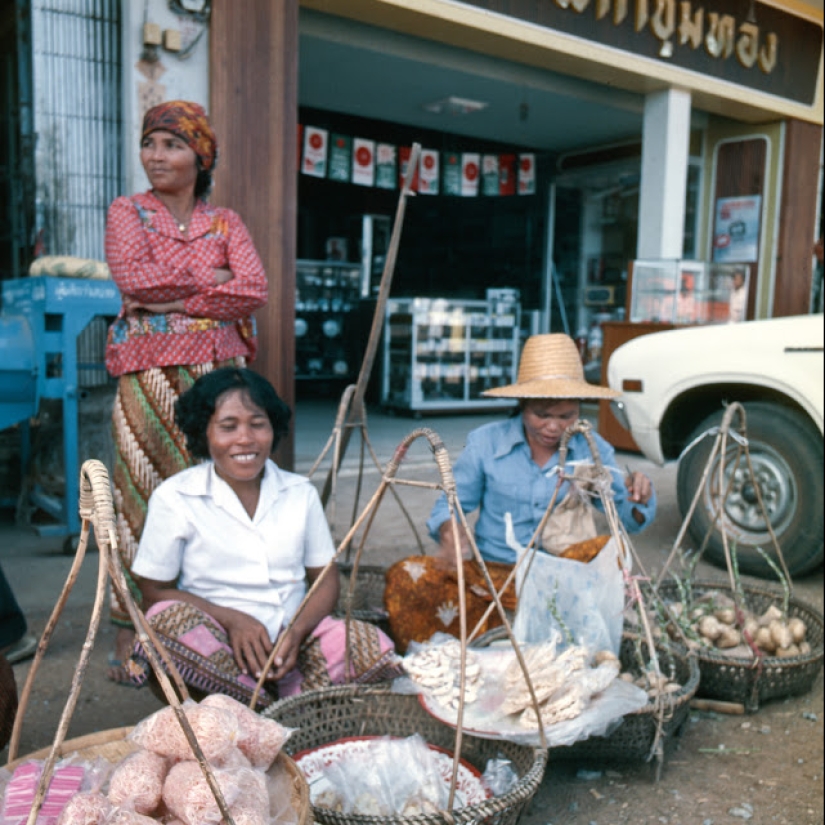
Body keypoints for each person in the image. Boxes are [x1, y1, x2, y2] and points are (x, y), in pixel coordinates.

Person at [104, 100, 268, 683]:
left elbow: (253, 288)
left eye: (171, 145)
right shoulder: (128, 212)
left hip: (217, 374)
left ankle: (203, 621)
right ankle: (130, 626)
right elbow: (134, 279)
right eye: (150, 143)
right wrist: (210, 284)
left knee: (213, 494)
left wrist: (171, 300)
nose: (155, 156)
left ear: (200, 156)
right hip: (147, 373)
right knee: (138, 493)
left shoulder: (224, 221)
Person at [124, 367, 402, 707]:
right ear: (204, 433)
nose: (245, 439)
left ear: (272, 429)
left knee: (366, 643)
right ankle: (258, 703)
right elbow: (154, 592)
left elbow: (325, 579)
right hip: (218, 648)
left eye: (257, 424)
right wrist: (232, 620)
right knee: (162, 622)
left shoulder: (299, 493)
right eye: (228, 427)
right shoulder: (175, 497)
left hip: (296, 645)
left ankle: (284, 699)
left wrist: (296, 632)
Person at [384, 333, 656, 651]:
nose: (553, 427)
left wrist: (640, 494)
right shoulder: (486, 443)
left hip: (561, 581)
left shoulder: (593, 450)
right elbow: (452, 503)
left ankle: (531, 633)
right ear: (522, 406)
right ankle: (491, 636)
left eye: (566, 416)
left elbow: (629, 519)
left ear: (579, 411)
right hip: (493, 578)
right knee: (406, 577)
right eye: (541, 414)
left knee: (604, 548)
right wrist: (450, 531)